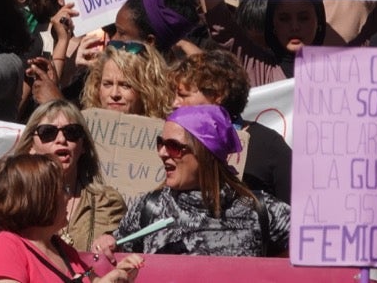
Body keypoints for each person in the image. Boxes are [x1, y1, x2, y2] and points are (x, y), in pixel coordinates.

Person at [94, 104, 290, 256]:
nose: (162, 153)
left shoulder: (260, 210)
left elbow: (306, 250)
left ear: (205, 153)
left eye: (173, 146)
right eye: (161, 143)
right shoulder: (148, 208)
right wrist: (107, 245)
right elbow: (116, 258)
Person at [0, 154, 144, 283]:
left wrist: (118, 275)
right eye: (63, 189)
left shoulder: (61, 249)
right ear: (40, 198)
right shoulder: (4, 246)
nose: (69, 196)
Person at [170, 51, 291, 202]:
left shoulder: (267, 145)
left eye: (183, 95)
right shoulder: (168, 141)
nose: (174, 104)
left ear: (217, 95)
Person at [10, 100, 125, 250]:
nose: (61, 140)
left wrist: (114, 244)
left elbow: (128, 252)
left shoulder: (107, 202)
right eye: (48, 132)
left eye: (72, 132)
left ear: (83, 146)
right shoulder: (14, 199)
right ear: (30, 146)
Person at [80, 44, 174, 118]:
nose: (114, 94)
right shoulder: (83, 131)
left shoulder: (164, 134)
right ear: (97, 86)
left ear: (147, 90)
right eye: (107, 84)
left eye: (125, 85)